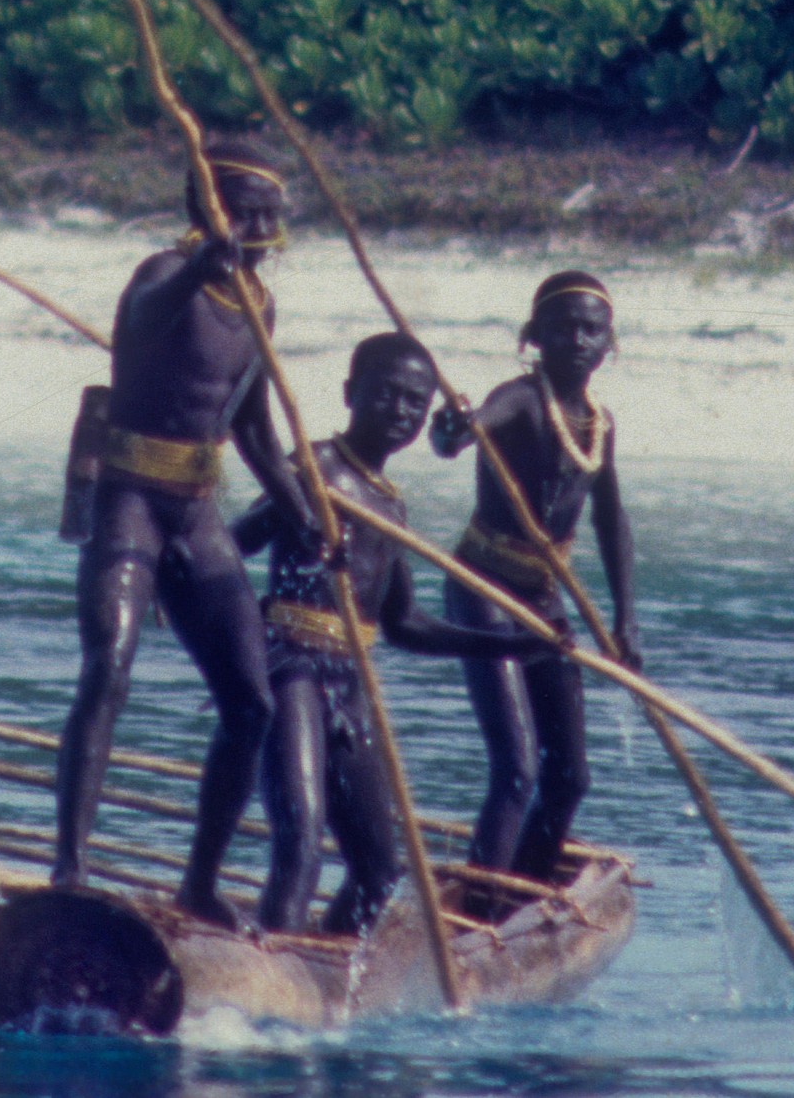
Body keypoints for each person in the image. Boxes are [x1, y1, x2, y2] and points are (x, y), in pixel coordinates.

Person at [52, 153, 328, 927]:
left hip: (198, 510)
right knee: (108, 663)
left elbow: (254, 431)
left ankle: (198, 884)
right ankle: (69, 865)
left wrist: (303, 512)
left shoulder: (261, 307)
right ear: (207, 208)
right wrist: (198, 264)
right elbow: (140, 326)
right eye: (244, 212)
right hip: (130, 499)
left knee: (251, 702)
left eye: (271, 215)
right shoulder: (159, 273)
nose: (262, 230)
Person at [229, 333, 531, 933]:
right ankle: (275, 970)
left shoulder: (390, 508)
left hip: (349, 686)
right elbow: (235, 543)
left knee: (379, 871)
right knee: (302, 841)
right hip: (290, 670)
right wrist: (296, 527)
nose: (401, 412)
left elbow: (403, 625)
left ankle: (329, 972)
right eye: (387, 395)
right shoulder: (312, 470)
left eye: (415, 403)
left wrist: (517, 642)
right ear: (350, 393)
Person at [432, 270, 634, 881]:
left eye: (590, 329)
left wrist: (625, 623)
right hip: (484, 588)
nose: (577, 338)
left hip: (546, 598)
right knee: (516, 769)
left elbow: (611, 520)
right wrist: (454, 428)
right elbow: (460, 437)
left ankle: (522, 887)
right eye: (562, 327)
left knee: (570, 779)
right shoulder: (519, 399)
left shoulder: (601, 422)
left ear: (609, 343)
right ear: (533, 337)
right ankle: (480, 909)